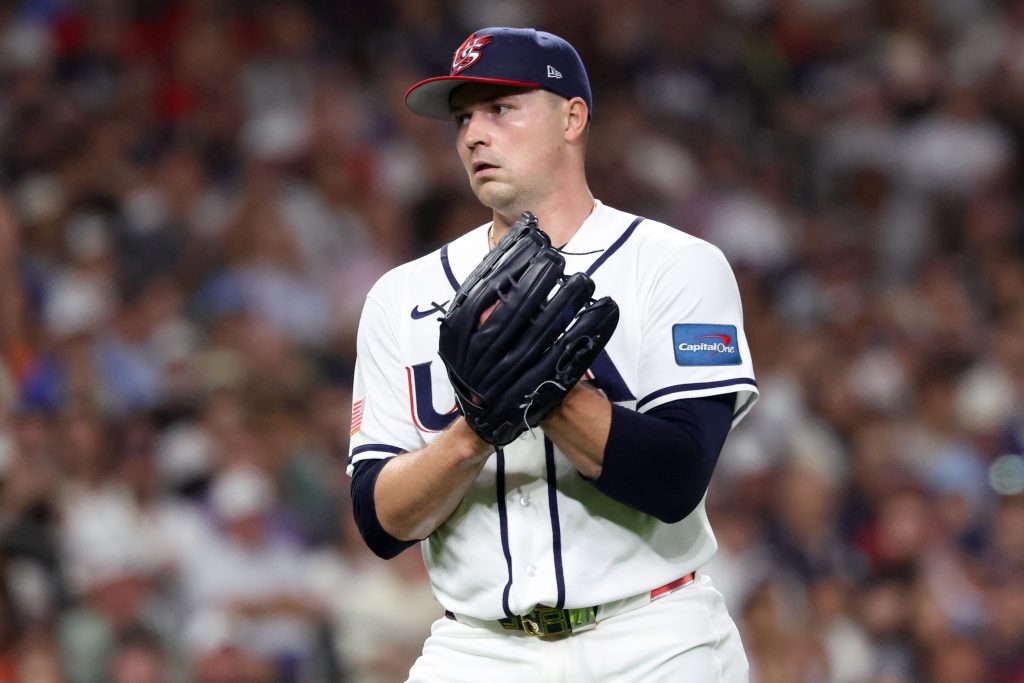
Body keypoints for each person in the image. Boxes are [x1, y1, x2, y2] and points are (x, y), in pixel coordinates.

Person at [347, 27, 759, 681]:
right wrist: (472, 433)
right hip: (477, 647)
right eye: (462, 118)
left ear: (572, 118)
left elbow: (677, 478)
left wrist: (546, 388)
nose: (473, 135)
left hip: (653, 636)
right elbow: (380, 522)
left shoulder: (676, 265)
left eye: (499, 108)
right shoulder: (401, 296)